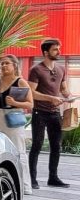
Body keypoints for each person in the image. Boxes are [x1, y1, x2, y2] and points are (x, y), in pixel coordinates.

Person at [0, 55, 34, 195]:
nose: (4, 66)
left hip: (13, 119)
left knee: (18, 151)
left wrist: (15, 103)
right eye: (2, 64)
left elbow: (30, 104)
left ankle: (25, 185)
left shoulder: (20, 82)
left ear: (14, 65)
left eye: (7, 63)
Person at [28, 39, 71, 189]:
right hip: (39, 112)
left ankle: (53, 178)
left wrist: (69, 97)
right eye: (55, 49)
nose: (59, 52)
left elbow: (64, 89)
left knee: (56, 146)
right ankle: (32, 180)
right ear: (46, 52)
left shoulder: (61, 69)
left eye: (59, 49)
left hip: (55, 113)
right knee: (37, 145)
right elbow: (31, 92)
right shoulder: (36, 70)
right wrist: (51, 98)